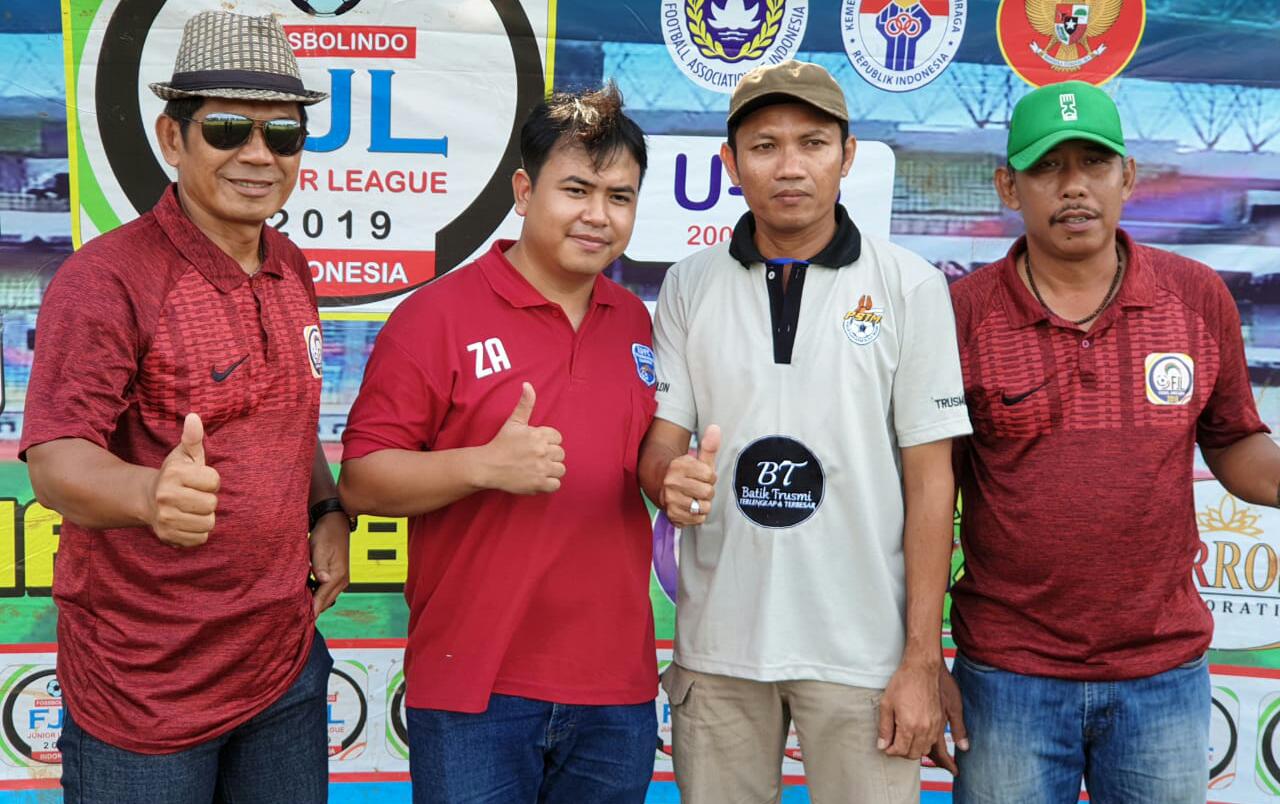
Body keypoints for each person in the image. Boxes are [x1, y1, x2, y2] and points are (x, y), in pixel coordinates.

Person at [21, 11, 349, 804]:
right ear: (173, 138)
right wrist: (148, 494)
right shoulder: (107, 279)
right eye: (228, 129)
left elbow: (287, 414)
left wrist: (327, 508)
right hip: (145, 690)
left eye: (284, 135)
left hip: (283, 668)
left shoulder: (293, 266)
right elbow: (57, 461)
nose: (259, 155)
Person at [637, 60, 972, 803]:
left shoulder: (909, 285)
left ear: (846, 156)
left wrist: (922, 659)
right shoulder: (689, 284)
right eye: (764, 146)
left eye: (812, 143)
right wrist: (667, 478)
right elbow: (662, 443)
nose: (789, 166)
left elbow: (931, 482)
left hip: (865, 657)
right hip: (718, 650)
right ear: (730, 164)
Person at [945, 79, 1280, 803]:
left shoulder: (1197, 296)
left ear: (1127, 177)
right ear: (1008, 186)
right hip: (1008, 675)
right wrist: (915, 655)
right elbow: (929, 490)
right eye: (1047, 167)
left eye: (1093, 163)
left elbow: (1233, 441)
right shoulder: (961, 314)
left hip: (1161, 675)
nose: (1074, 187)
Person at [337, 85, 657, 804]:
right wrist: (482, 466)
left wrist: (678, 477)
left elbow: (639, 461)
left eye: (620, 197)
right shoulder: (436, 316)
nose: (598, 215)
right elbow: (361, 480)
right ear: (523, 190)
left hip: (617, 692)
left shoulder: (637, 322)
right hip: (473, 687)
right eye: (576, 190)